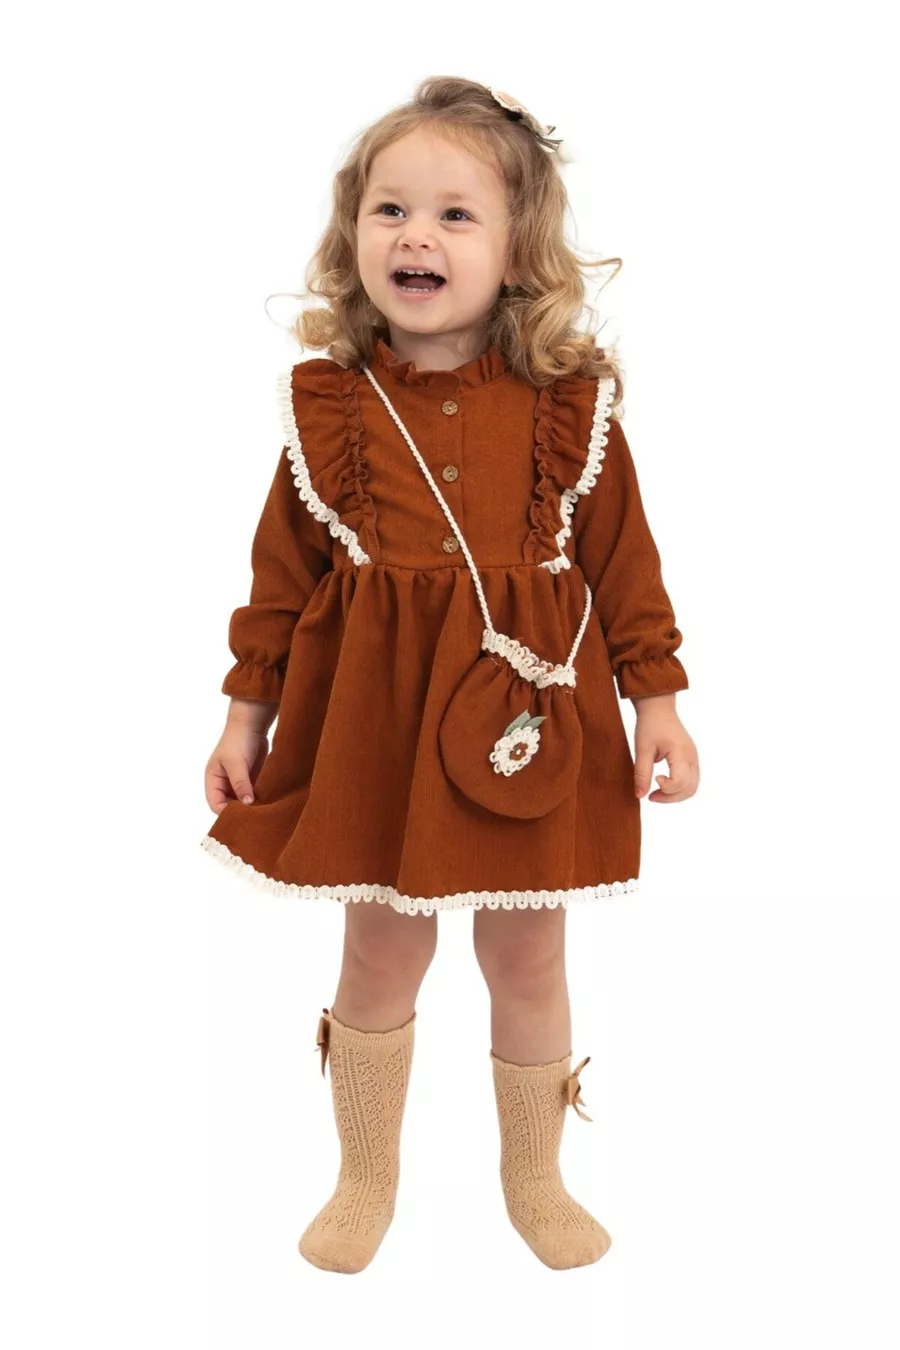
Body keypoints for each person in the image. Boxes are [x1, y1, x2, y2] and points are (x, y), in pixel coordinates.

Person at [201, 76, 700, 1275]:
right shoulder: (330, 407)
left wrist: (659, 700)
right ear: (353, 232)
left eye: (454, 215)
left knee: (528, 956)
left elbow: (625, 561)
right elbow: (280, 576)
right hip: (376, 720)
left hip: (530, 718)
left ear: (519, 248)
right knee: (381, 950)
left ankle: (536, 1177)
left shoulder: (573, 409)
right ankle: (365, 1174)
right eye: (389, 209)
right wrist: (244, 712)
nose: (414, 235)